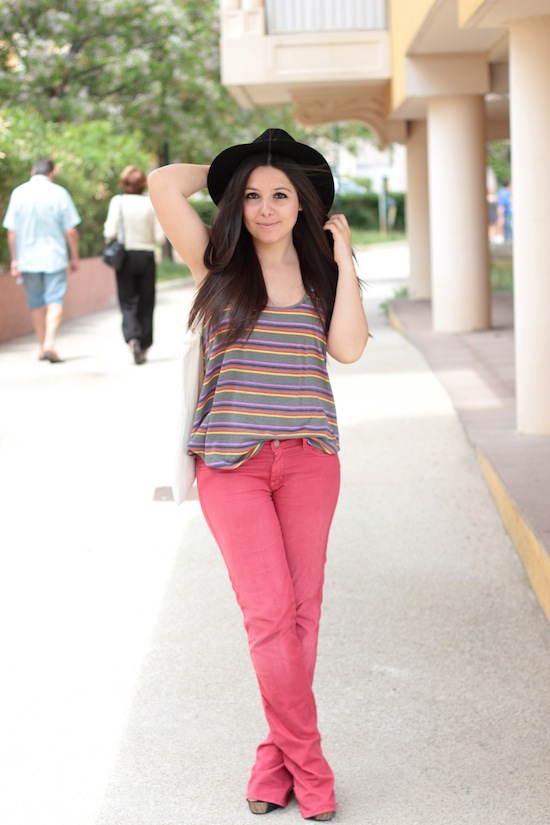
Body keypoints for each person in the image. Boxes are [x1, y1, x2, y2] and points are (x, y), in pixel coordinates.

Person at [148, 128, 369, 821]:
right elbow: (162, 183)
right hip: (231, 465)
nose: (266, 207)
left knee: (302, 615)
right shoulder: (215, 263)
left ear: (303, 205)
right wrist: (235, 162)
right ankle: (312, 765)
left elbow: (349, 349)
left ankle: (273, 761)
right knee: (270, 616)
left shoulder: (322, 275)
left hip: (310, 460)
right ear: (235, 204)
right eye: (251, 195)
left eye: (280, 194)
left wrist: (346, 260)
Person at [2, 158, 81, 362]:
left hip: (28, 259)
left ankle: (41, 345)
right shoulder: (60, 193)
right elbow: (71, 231)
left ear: (32, 172)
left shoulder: (19, 193)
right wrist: (75, 257)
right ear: (51, 173)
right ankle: (49, 343)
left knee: (35, 301)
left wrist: (14, 260)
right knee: (55, 299)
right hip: (55, 257)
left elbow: (12, 231)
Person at [103, 165, 165, 364]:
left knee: (128, 301)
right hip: (146, 256)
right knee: (147, 302)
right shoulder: (150, 203)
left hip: (125, 257)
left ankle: (133, 339)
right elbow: (160, 236)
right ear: (142, 184)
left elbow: (109, 232)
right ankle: (144, 346)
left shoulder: (118, 201)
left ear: (123, 183)